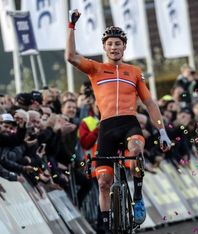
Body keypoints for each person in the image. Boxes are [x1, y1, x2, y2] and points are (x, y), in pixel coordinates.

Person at [65, 9, 172, 232]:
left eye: (118, 43)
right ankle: (105, 226)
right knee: (103, 182)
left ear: (124, 47)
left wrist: (162, 133)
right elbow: (70, 56)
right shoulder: (95, 69)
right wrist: (71, 26)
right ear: (104, 48)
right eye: (110, 44)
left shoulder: (134, 71)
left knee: (135, 150)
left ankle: (138, 195)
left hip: (128, 123)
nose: (114, 47)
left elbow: (150, 103)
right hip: (107, 127)